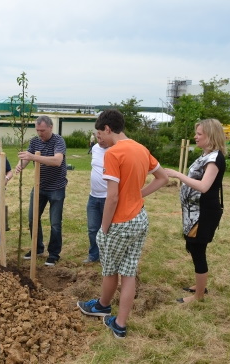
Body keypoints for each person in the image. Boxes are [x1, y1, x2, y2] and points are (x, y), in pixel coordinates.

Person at [76, 110, 168, 339]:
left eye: (100, 135)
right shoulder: (141, 148)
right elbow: (163, 178)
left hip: (120, 223)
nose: (100, 140)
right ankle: (119, 324)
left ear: (108, 128)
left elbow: (113, 197)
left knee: (109, 271)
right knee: (128, 272)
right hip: (140, 219)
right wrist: (139, 195)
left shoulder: (113, 153)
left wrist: (104, 228)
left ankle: (102, 307)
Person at [165, 119, 226, 304]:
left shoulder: (214, 158)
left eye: (199, 134)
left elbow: (204, 186)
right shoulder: (206, 155)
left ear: (211, 136)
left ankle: (198, 296)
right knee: (193, 246)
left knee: (198, 249)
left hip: (204, 213)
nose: (195, 136)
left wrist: (177, 174)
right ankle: (199, 284)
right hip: (194, 212)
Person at [15, 115, 68, 266]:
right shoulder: (35, 141)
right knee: (33, 219)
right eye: (37, 130)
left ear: (51, 128)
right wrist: (22, 164)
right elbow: (28, 157)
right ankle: (37, 248)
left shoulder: (58, 141)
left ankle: (53, 254)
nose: (40, 133)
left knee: (55, 223)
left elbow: (57, 161)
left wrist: (34, 157)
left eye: (42, 130)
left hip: (57, 188)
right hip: (39, 186)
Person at [83, 134, 108, 263]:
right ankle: (94, 255)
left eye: (101, 136)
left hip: (108, 197)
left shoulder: (115, 150)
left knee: (108, 229)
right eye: (97, 137)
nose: (99, 139)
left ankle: (107, 256)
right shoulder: (96, 148)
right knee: (92, 228)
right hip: (93, 196)